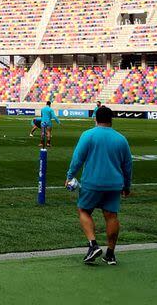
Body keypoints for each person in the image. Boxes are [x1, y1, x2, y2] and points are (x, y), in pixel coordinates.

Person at [65, 106, 132, 266]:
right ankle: (110, 253)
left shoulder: (88, 135)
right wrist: (127, 185)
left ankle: (93, 245)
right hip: (114, 184)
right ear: (111, 120)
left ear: (95, 118)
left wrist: (70, 176)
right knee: (111, 216)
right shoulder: (121, 139)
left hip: (92, 183)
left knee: (84, 210)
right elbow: (128, 165)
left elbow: (78, 159)